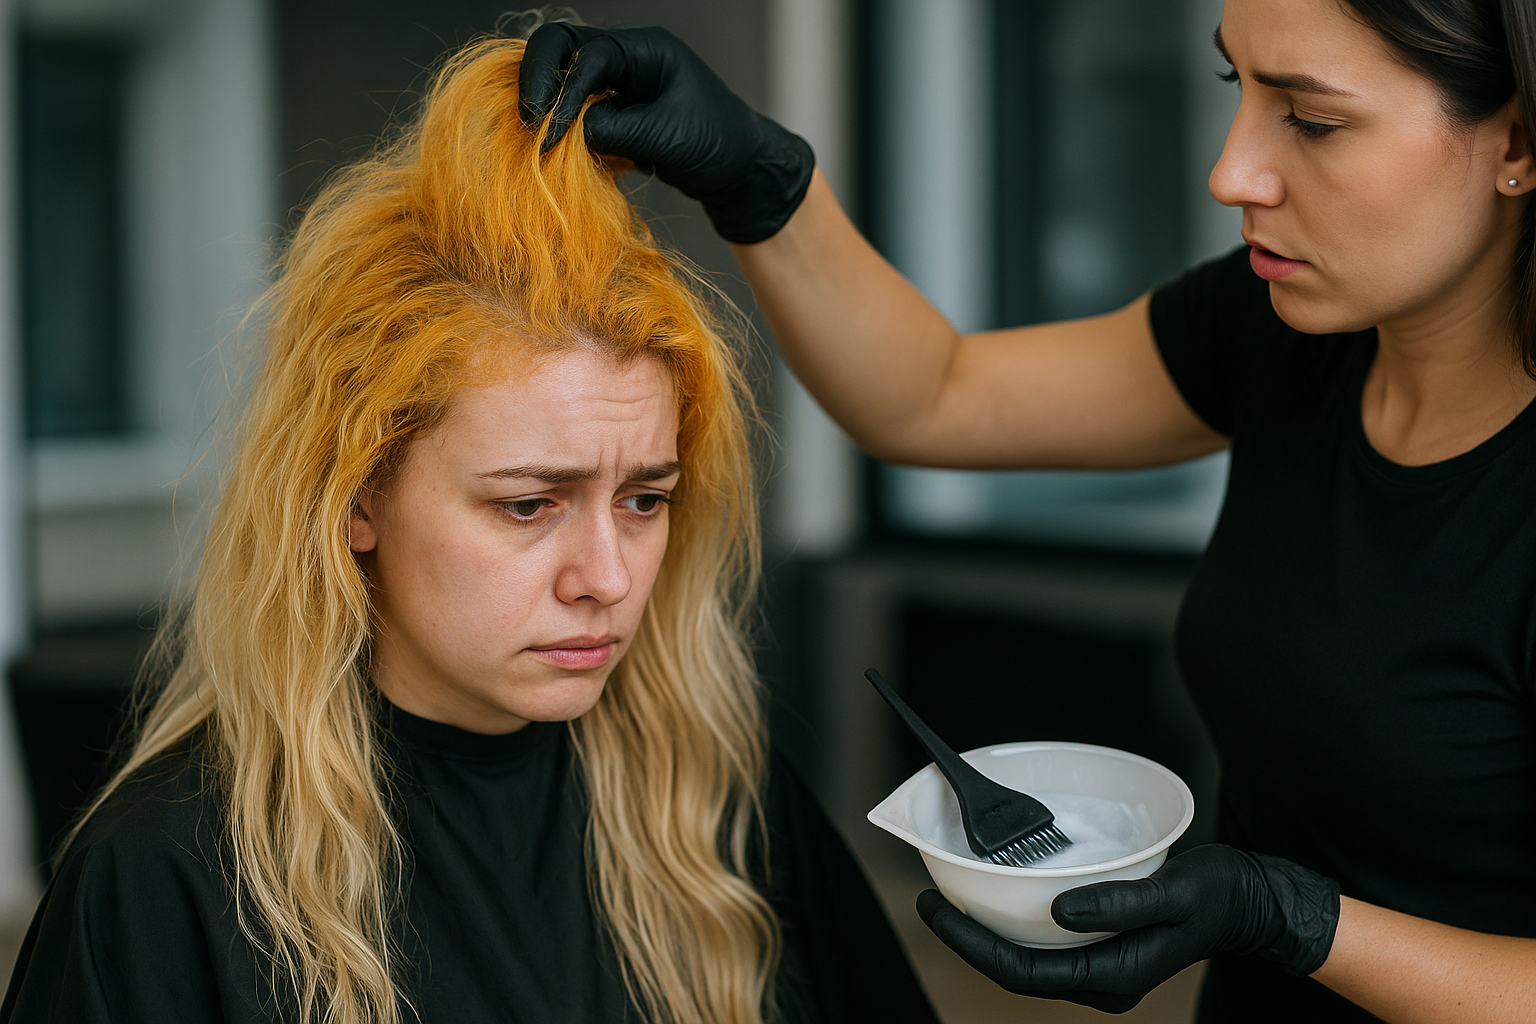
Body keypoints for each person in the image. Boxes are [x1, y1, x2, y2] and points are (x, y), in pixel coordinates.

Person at [514, 0, 1536, 1021]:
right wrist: (761, 178)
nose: (1232, 173)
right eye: (1241, 87)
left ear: (1518, 139)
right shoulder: (1285, 331)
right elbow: (933, 395)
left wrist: (1297, 921)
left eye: (1311, 120)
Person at [0, 34, 938, 1024]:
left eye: (645, 499)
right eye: (530, 504)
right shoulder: (164, 878)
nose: (607, 577)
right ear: (355, 495)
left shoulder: (715, 803)